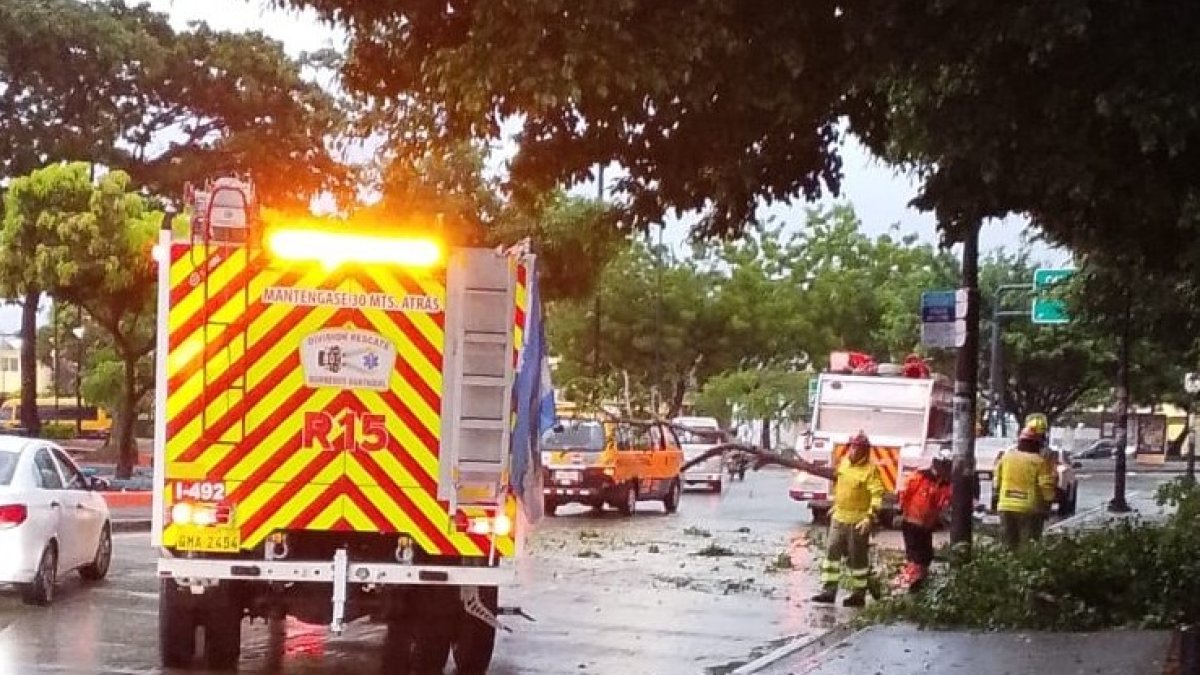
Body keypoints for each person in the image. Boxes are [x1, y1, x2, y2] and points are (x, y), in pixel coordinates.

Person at [804, 431, 885, 607]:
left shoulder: (870, 471)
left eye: (858, 448)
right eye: (852, 447)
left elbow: (877, 494)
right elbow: (842, 486)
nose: (854, 451)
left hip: (858, 521)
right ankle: (829, 590)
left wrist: (870, 517)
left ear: (864, 451)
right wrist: (835, 505)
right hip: (839, 517)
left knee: (857, 559)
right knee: (832, 553)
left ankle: (858, 594)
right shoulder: (844, 464)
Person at [894, 449, 953, 591]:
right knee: (915, 556)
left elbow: (944, 502)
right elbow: (905, 492)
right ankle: (909, 584)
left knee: (926, 556)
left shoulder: (944, 484)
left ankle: (920, 583)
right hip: (912, 522)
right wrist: (901, 510)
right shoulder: (920, 477)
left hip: (927, 526)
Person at [993, 425, 1056, 549]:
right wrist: (1049, 502)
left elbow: (997, 481)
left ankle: (1007, 567)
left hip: (1005, 506)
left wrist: (997, 497)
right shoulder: (1039, 462)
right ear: (1036, 444)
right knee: (1028, 547)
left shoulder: (1006, 458)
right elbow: (1046, 486)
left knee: (1008, 545)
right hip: (1030, 509)